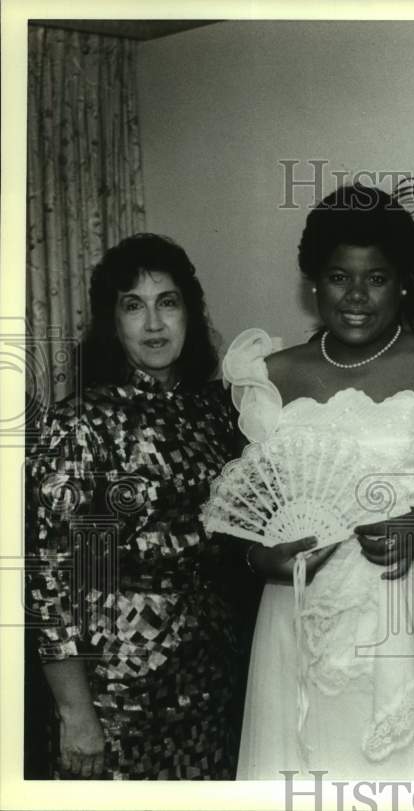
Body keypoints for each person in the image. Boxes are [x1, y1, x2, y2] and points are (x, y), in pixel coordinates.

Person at [227, 184, 414, 779]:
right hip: (301, 616)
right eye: (338, 277)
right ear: (313, 283)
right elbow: (245, 508)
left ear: (403, 282)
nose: (356, 296)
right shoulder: (268, 377)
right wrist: (259, 560)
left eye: (376, 278)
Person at [25, 234, 243, 779]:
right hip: (119, 687)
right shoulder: (84, 426)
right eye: (133, 305)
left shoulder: (213, 414)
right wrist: (77, 715)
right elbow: (58, 588)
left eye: (167, 302)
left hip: (211, 674)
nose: (153, 324)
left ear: (189, 313)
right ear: (112, 321)